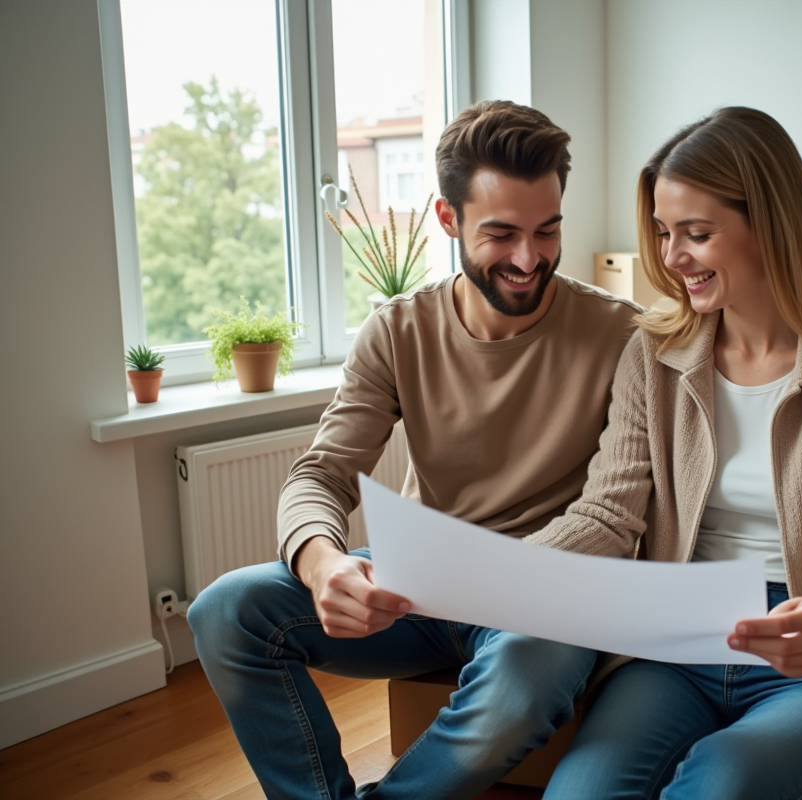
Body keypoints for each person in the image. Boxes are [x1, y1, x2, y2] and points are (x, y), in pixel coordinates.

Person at [187, 100, 640, 800]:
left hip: (544, 595)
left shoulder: (622, 335)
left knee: (525, 681)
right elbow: (322, 473)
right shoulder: (397, 331)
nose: (529, 258)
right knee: (224, 611)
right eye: (501, 234)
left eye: (547, 230)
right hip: (422, 585)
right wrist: (323, 563)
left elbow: (618, 513)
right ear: (447, 218)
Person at [524, 107, 802, 800]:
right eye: (664, 232)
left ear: (772, 226)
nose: (671, 257)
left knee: (725, 783)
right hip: (676, 641)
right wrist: (511, 569)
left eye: (697, 234)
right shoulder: (652, 354)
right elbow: (608, 512)